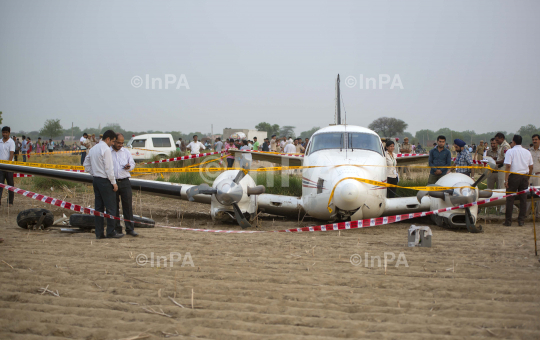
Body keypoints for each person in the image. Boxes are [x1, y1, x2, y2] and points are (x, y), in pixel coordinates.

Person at [83, 130, 122, 239]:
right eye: (113, 141)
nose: (113, 143)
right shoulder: (106, 149)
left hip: (96, 180)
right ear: (108, 139)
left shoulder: (94, 148)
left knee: (98, 208)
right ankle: (110, 231)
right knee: (111, 207)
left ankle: (99, 233)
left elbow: (85, 164)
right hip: (105, 181)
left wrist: (94, 172)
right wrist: (114, 183)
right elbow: (109, 169)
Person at [503, 135, 533, 226]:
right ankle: (521, 221)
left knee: (510, 199)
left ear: (513, 141)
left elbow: (508, 166)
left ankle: (508, 221)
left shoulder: (510, 151)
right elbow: (531, 167)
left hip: (513, 177)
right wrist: (528, 178)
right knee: (523, 199)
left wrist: (506, 180)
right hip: (524, 176)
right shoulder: (527, 152)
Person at [111, 133, 138, 237]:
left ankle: (130, 229)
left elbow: (133, 164)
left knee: (127, 206)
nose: (120, 145)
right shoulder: (108, 152)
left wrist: (129, 166)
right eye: (118, 142)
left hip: (125, 181)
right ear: (113, 141)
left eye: (122, 143)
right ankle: (117, 229)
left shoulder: (126, 152)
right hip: (113, 182)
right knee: (114, 206)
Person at [494, 132, 511, 210]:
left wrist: (496, 162)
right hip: (500, 168)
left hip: (504, 168)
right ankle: (503, 206)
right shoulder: (501, 146)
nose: (496, 142)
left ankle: (504, 208)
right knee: (500, 187)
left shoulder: (505, 146)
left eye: (497, 140)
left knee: (503, 188)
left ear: (502, 138)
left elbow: (505, 160)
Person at [0, 127, 15, 206]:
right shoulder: (0, 141)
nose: (4, 134)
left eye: (6, 132)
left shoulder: (11, 142)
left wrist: (8, 165)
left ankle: (10, 202)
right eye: (3, 132)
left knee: (10, 185)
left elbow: (11, 154)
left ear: (9, 133)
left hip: (9, 167)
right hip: (1, 167)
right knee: (0, 185)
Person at [527, 134, 540, 218]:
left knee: (538, 195)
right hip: (529, 175)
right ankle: (526, 214)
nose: (534, 141)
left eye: (536, 139)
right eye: (533, 139)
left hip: (538, 175)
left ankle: (538, 214)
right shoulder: (529, 151)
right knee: (528, 194)